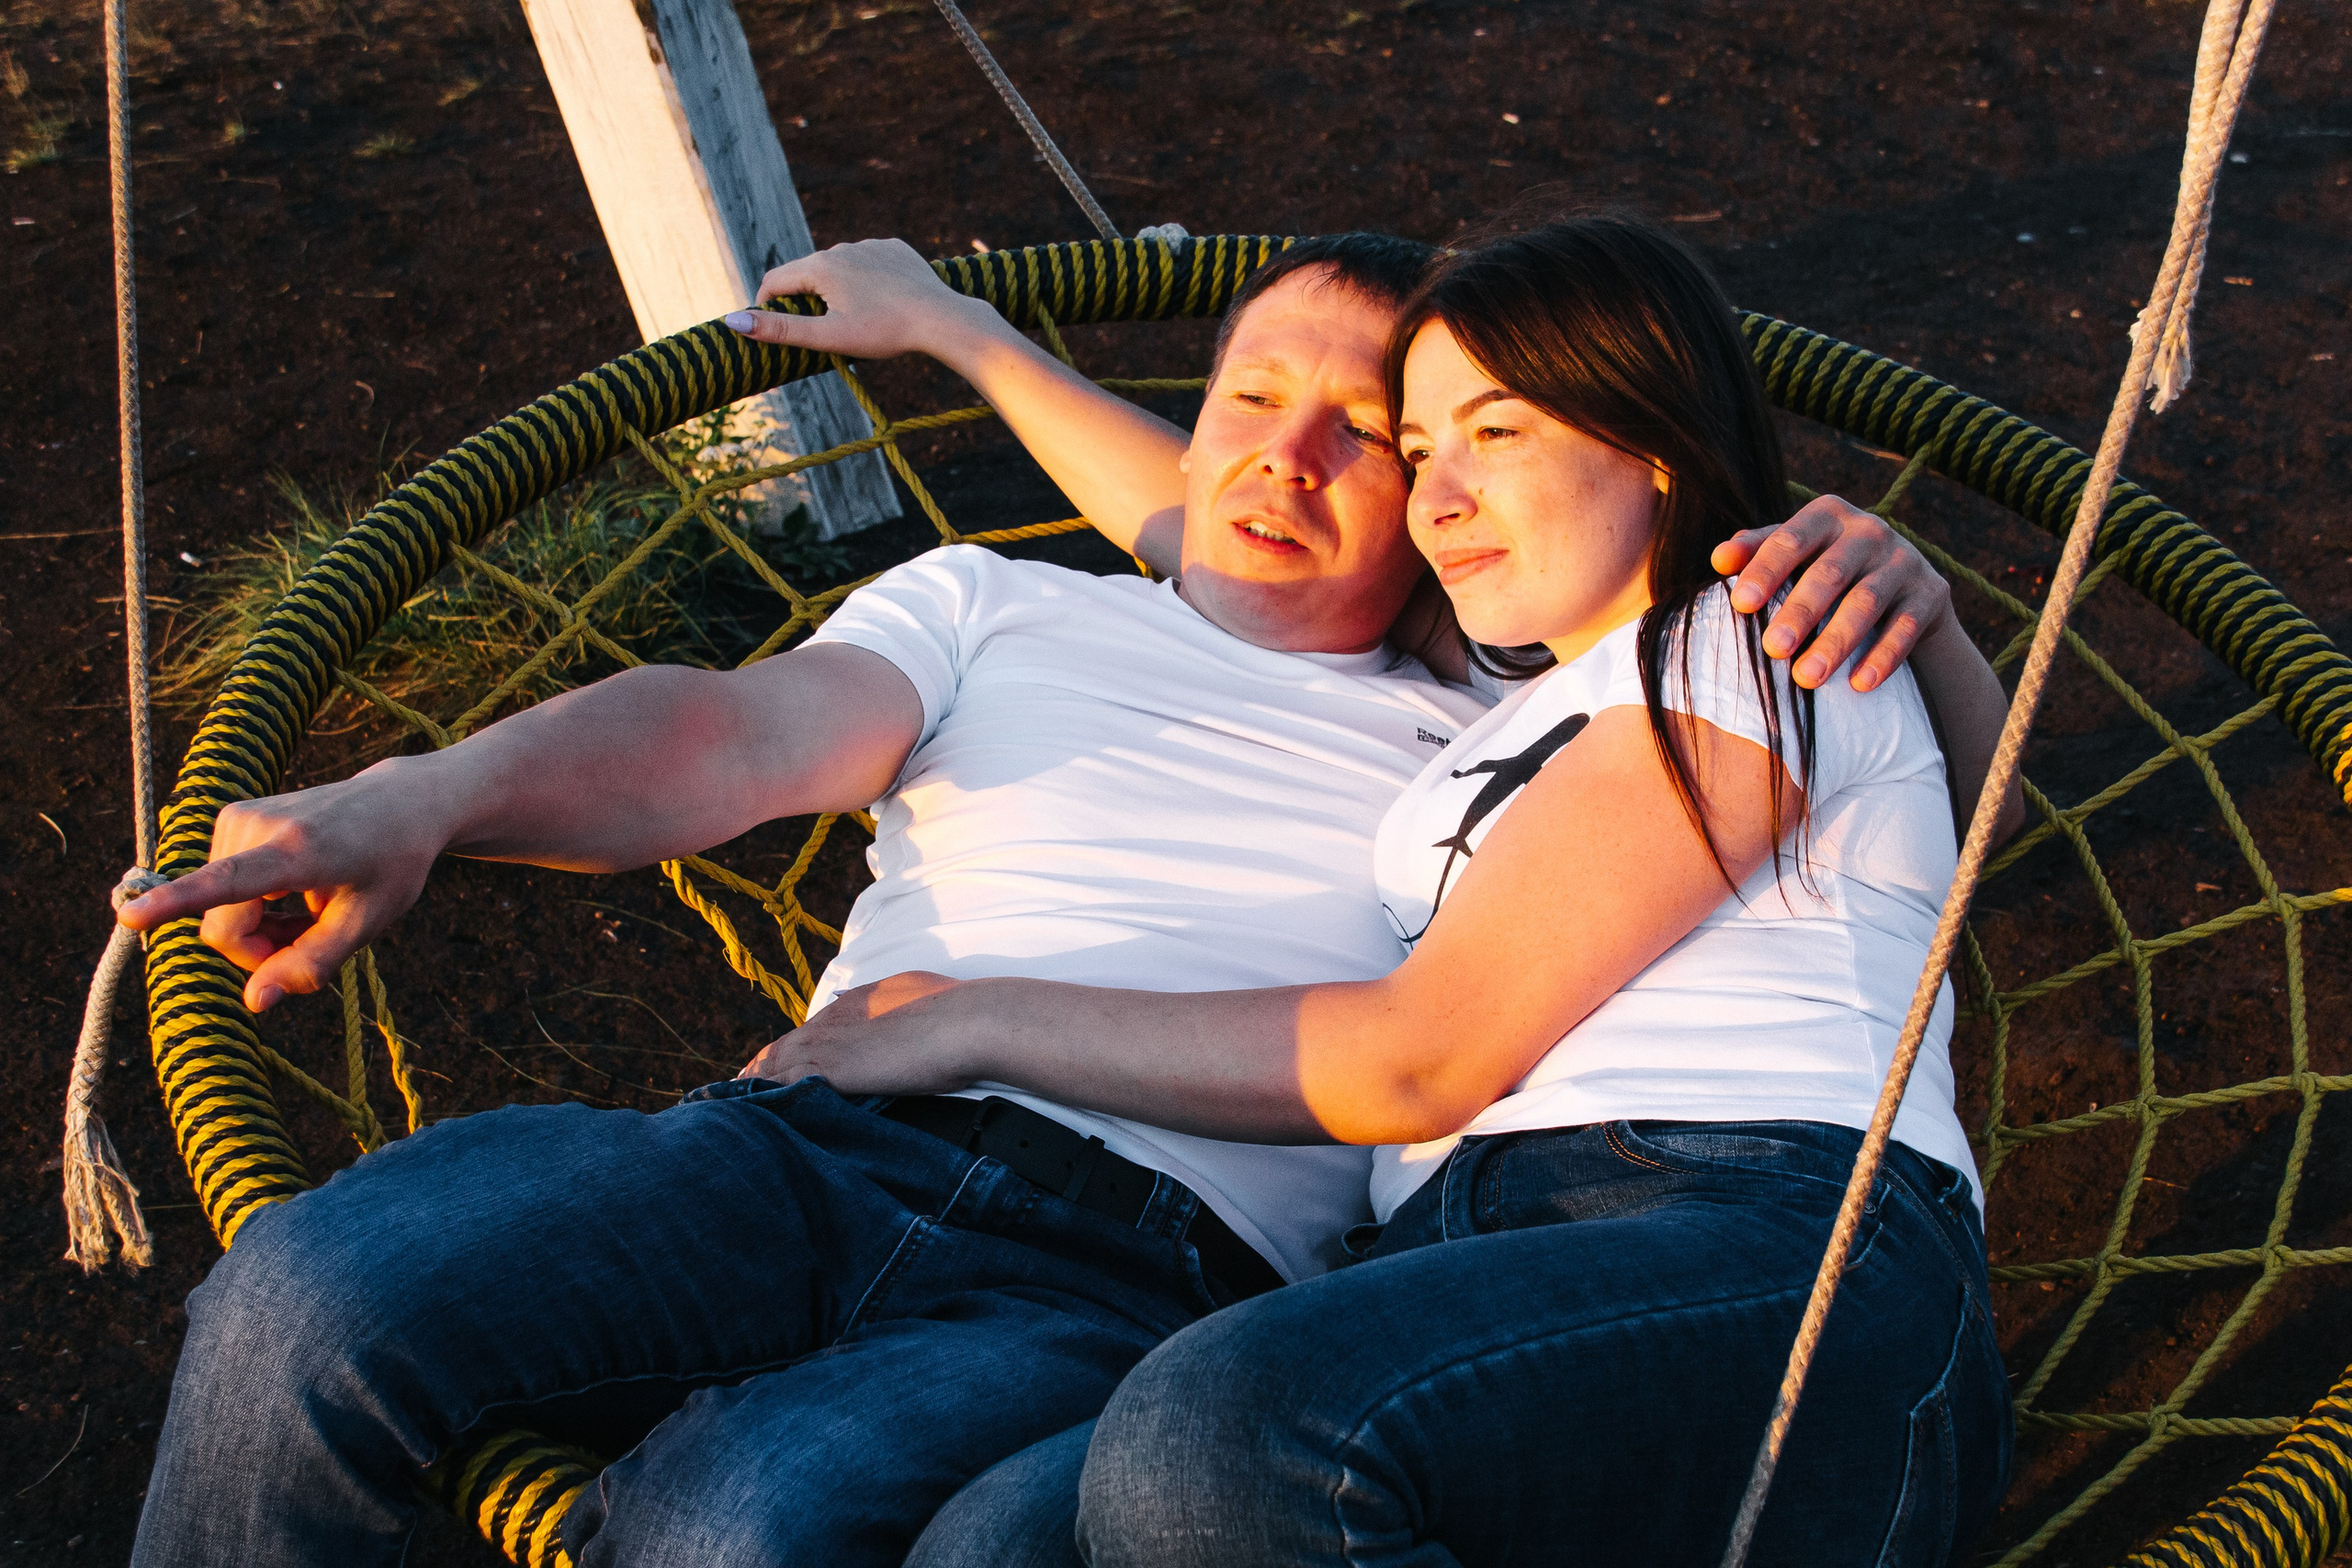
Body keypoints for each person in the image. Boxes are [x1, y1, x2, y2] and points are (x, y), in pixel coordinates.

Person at [116, 229, 2003, 1568]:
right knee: (309, 1297)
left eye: (1382, 436)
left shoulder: (1508, 703)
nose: (1294, 456)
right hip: (810, 1143)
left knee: (734, 1527)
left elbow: (1906, 800)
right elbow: (718, 735)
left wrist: (1908, 602)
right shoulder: (993, 605)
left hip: (1142, 1279)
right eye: (1249, 398)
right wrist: (422, 797)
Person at [769, 218, 2019, 1568]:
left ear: (1652, 438)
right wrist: (956, 330)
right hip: (1461, 1262)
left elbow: (1418, 1057)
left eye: (1496, 433)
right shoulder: (1510, 695)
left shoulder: (1762, 630)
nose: (1439, 499)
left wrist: (968, 1020)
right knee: (996, 1545)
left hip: (1758, 1230)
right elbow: (1231, 519)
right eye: (1418, 452)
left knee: (1215, 1434)